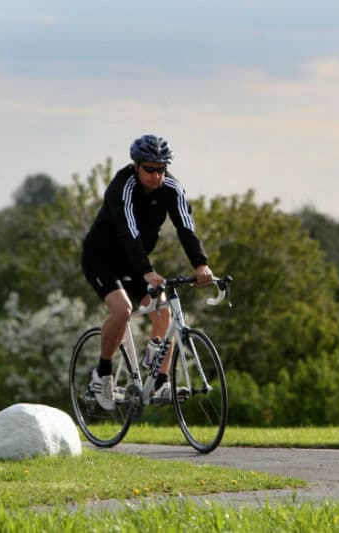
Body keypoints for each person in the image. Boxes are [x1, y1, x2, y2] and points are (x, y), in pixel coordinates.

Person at [81, 134, 213, 410]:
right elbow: (128, 232)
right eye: (150, 169)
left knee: (165, 311)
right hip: (101, 258)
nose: (156, 176)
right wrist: (146, 271)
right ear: (136, 166)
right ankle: (102, 374)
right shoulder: (123, 186)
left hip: (133, 262)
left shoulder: (172, 189)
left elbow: (185, 227)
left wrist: (201, 264)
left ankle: (161, 381)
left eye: (162, 170)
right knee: (122, 310)